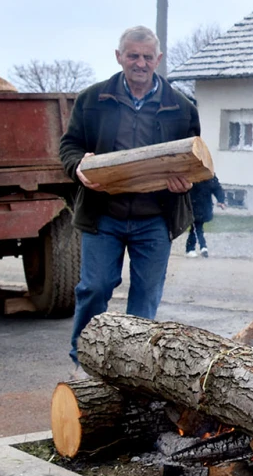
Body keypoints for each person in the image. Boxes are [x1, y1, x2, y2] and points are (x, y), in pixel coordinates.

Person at [59, 25, 199, 365]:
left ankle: (132, 369)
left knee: (146, 297)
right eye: (133, 55)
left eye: (147, 57)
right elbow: (69, 146)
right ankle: (83, 361)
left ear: (158, 59)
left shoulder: (182, 107)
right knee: (94, 288)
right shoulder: (92, 100)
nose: (140, 63)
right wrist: (78, 165)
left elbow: (194, 159)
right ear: (118, 56)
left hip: (155, 218)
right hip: (103, 214)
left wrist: (187, 183)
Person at [185, 175, 225, 257]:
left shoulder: (209, 175)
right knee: (196, 227)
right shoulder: (192, 174)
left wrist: (221, 200)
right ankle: (201, 247)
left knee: (196, 227)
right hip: (192, 205)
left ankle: (193, 248)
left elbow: (216, 187)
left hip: (204, 206)